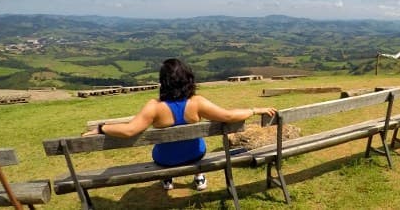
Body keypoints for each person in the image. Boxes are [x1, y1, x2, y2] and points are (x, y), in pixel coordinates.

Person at [82, 58, 276, 191]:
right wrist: (254, 110)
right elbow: (228, 116)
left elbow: (130, 130)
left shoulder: (154, 107)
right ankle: (198, 175)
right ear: (188, 79)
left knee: (167, 152)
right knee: (195, 146)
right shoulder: (197, 102)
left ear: (163, 82)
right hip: (195, 156)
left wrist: (102, 128)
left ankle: (167, 177)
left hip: (164, 160)